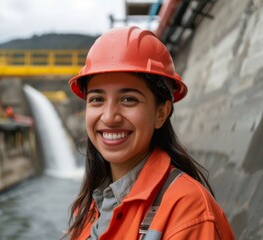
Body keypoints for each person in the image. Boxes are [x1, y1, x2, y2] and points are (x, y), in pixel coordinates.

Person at [64, 26, 234, 240]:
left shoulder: (189, 210)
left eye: (128, 99)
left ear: (161, 113)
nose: (109, 117)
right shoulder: (91, 206)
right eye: (97, 99)